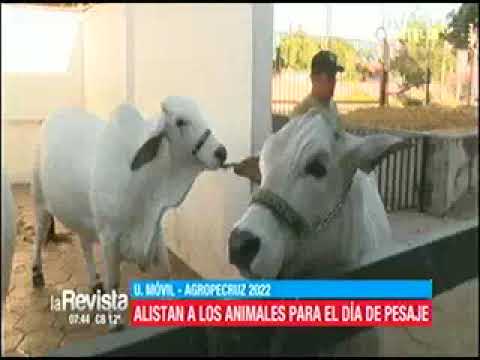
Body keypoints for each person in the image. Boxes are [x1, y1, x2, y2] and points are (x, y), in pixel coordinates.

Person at [233, 50, 345, 184]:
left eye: (334, 77)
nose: (333, 83)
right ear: (313, 79)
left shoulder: (332, 107)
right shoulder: (302, 113)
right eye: (327, 77)